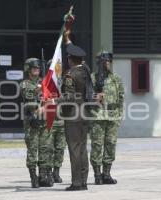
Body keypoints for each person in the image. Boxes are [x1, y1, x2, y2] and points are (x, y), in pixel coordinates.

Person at [48, 28, 94, 191]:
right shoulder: (86, 70)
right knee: (82, 148)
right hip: (85, 114)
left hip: (73, 115)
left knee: (74, 148)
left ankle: (76, 183)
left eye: (68, 57)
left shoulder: (70, 75)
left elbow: (69, 97)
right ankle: (83, 181)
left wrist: (52, 100)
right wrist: (68, 40)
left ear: (70, 59)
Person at [90, 50, 125, 185]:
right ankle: (97, 175)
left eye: (109, 61)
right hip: (97, 117)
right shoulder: (92, 78)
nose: (107, 63)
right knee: (97, 145)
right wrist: (95, 97)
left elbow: (121, 97)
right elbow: (85, 97)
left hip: (112, 117)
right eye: (105, 61)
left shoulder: (116, 79)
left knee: (110, 145)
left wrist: (119, 115)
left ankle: (106, 174)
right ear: (99, 62)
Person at [20, 58, 54, 188]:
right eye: (34, 68)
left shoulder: (44, 82)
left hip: (44, 120)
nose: (37, 70)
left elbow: (51, 97)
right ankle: (33, 176)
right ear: (28, 69)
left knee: (45, 148)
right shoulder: (25, 83)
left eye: (38, 68)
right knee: (33, 149)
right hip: (32, 121)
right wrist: (39, 90)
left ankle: (43, 175)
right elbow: (28, 96)